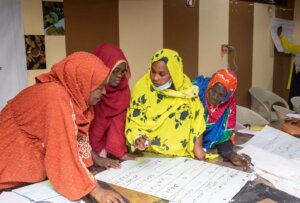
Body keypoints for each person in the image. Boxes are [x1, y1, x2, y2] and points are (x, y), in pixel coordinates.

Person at [0, 52, 124, 203]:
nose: (104, 92)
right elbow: (62, 150)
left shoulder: (76, 101)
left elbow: (75, 137)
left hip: (24, 181)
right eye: (100, 87)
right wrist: (95, 190)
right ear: (82, 83)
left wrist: (94, 160)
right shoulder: (54, 96)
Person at [125, 48, 206, 160]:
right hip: (149, 154)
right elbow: (133, 121)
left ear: (174, 73)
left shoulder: (187, 90)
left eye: (162, 74)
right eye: (153, 72)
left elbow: (198, 118)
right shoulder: (142, 88)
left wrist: (198, 146)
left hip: (181, 157)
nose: (155, 78)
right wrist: (138, 138)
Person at [89, 44, 138, 169]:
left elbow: (119, 124)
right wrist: (96, 158)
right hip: (87, 153)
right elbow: (78, 134)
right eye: (115, 71)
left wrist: (120, 153)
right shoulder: (89, 92)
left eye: (122, 71)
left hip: (110, 154)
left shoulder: (123, 91)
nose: (119, 76)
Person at [193, 69, 251, 170]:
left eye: (221, 95)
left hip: (206, 155)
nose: (215, 97)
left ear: (228, 96)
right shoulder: (195, 91)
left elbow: (223, 138)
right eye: (213, 90)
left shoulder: (228, 107)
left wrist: (230, 155)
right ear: (210, 84)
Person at [277, 26, 300, 109]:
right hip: (296, 78)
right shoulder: (298, 49)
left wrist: (282, 36)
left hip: (297, 78)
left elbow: (289, 46)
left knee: (295, 98)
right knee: (294, 98)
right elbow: (289, 46)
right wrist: (282, 36)